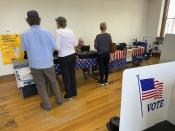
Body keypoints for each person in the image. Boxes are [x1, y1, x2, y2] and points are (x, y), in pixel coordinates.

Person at [22, 10, 63, 111]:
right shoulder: (47, 32)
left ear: (28, 21)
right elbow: (55, 47)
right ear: (39, 19)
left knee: (40, 85)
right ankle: (59, 100)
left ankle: (47, 105)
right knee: (53, 81)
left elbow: (24, 49)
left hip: (35, 64)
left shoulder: (25, 35)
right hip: (48, 62)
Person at [55, 16, 78, 99]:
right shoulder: (70, 30)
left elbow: (57, 48)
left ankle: (69, 94)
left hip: (63, 56)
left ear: (58, 23)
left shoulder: (57, 32)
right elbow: (75, 44)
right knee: (72, 74)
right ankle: (74, 92)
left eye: (56, 22)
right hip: (72, 55)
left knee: (66, 76)